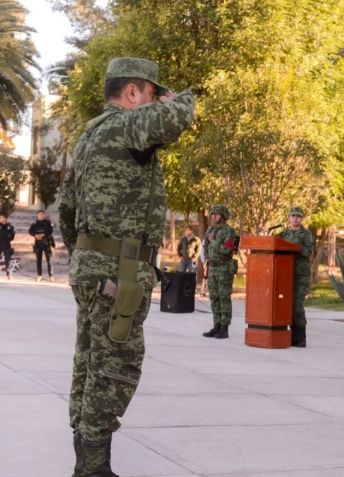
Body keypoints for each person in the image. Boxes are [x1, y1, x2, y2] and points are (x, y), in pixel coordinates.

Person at [57, 57, 195, 477]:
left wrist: (86, 255)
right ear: (133, 93)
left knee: (89, 363)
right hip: (119, 270)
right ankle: (93, 470)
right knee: (115, 368)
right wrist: (179, 97)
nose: (156, 102)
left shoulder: (89, 134)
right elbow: (179, 115)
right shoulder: (125, 126)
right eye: (151, 93)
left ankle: (88, 463)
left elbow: (66, 208)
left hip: (93, 265)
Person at [277, 206, 314, 347]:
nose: (295, 219)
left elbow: (308, 252)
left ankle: (301, 336)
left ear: (302, 218)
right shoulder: (283, 234)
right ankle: (291, 335)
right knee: (287, 305)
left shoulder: (306, 234)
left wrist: (296, 247)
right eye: (293, 216)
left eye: (298, 216)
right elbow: (273, 244)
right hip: (286, 274)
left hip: (300, 275)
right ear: (289, 217)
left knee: (297, 305)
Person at [202, 204, 238, 339]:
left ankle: (224, 327)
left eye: (216, 214)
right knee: (214, 297)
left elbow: (228, 249)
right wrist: (207, 258)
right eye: (212, 214)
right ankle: (216, 325)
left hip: (224, 268)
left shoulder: (229, 231)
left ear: (223, 216)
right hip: (212, 267)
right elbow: (205, 246)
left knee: (224, 297)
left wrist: (214, 241)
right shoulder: (210, 229)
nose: (213, 216)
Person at [29, 209, 56, 282]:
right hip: (38, 244)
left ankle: (51, 276)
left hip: (46, 243)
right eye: (40, 214)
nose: (41, 216)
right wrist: (35, 235)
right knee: (38, 260)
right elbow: (30, 231)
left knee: (49, 260)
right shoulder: (35, 223)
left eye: (42, 214)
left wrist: (43, 234)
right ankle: (39, 275)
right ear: (37, 215)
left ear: (44, 215)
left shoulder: (48, 222)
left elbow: (50, 231)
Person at [0, 214, 15, 280]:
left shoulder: (10, 226)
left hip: (6, 244)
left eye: (1, 217)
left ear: (5, 218)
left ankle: (8, 275)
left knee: (7, 260)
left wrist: (7, 238)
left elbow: (12, 236)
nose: (0, 218)